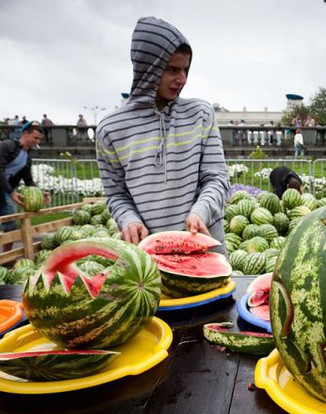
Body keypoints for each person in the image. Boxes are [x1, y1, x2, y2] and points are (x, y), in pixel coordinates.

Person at [96, 16, 230, 255]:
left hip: (205, 247)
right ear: (148, 67)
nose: (182, 79)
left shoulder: (200, 114)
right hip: (149, 255)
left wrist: (200, 212)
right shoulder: (110, 128)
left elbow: (217, 178)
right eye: (172, 70)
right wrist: (129, 220)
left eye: (186, 69)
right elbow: (116, 194)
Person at [0, 121, 51, 251]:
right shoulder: (6, 146)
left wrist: (40, 193)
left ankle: (7, 257)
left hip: (3, 191)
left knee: (10, 222)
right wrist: (12, 192)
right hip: (6, 190)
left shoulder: (27, 157)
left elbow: (28, 181)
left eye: (39, 139)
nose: (37, 141)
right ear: (25, 134)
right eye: (35, 138)